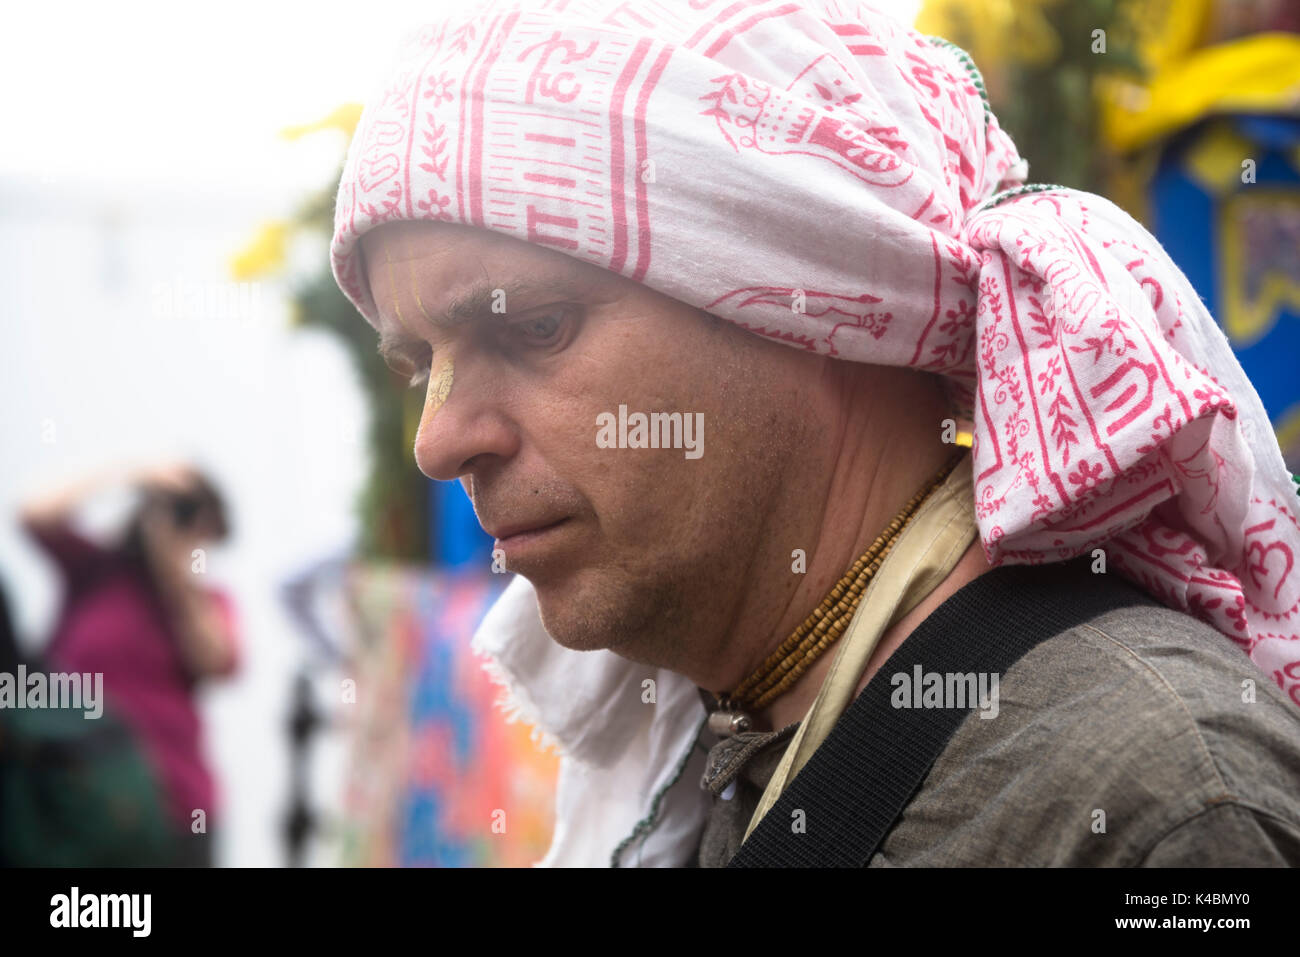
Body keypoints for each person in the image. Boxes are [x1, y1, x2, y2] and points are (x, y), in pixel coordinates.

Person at [328, 0, 1300, 866]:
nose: (438, 440)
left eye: (533, 327)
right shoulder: (716, 748)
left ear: (816, 305)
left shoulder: (1147, 801)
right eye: (417, 365)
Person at [19, 461, 239, 866]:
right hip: (76, 800)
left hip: (176, 812)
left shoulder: (207, 603)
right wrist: (132, 472)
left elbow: (218, 659)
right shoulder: (92, 570)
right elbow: (32, 514)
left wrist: (175, 572)